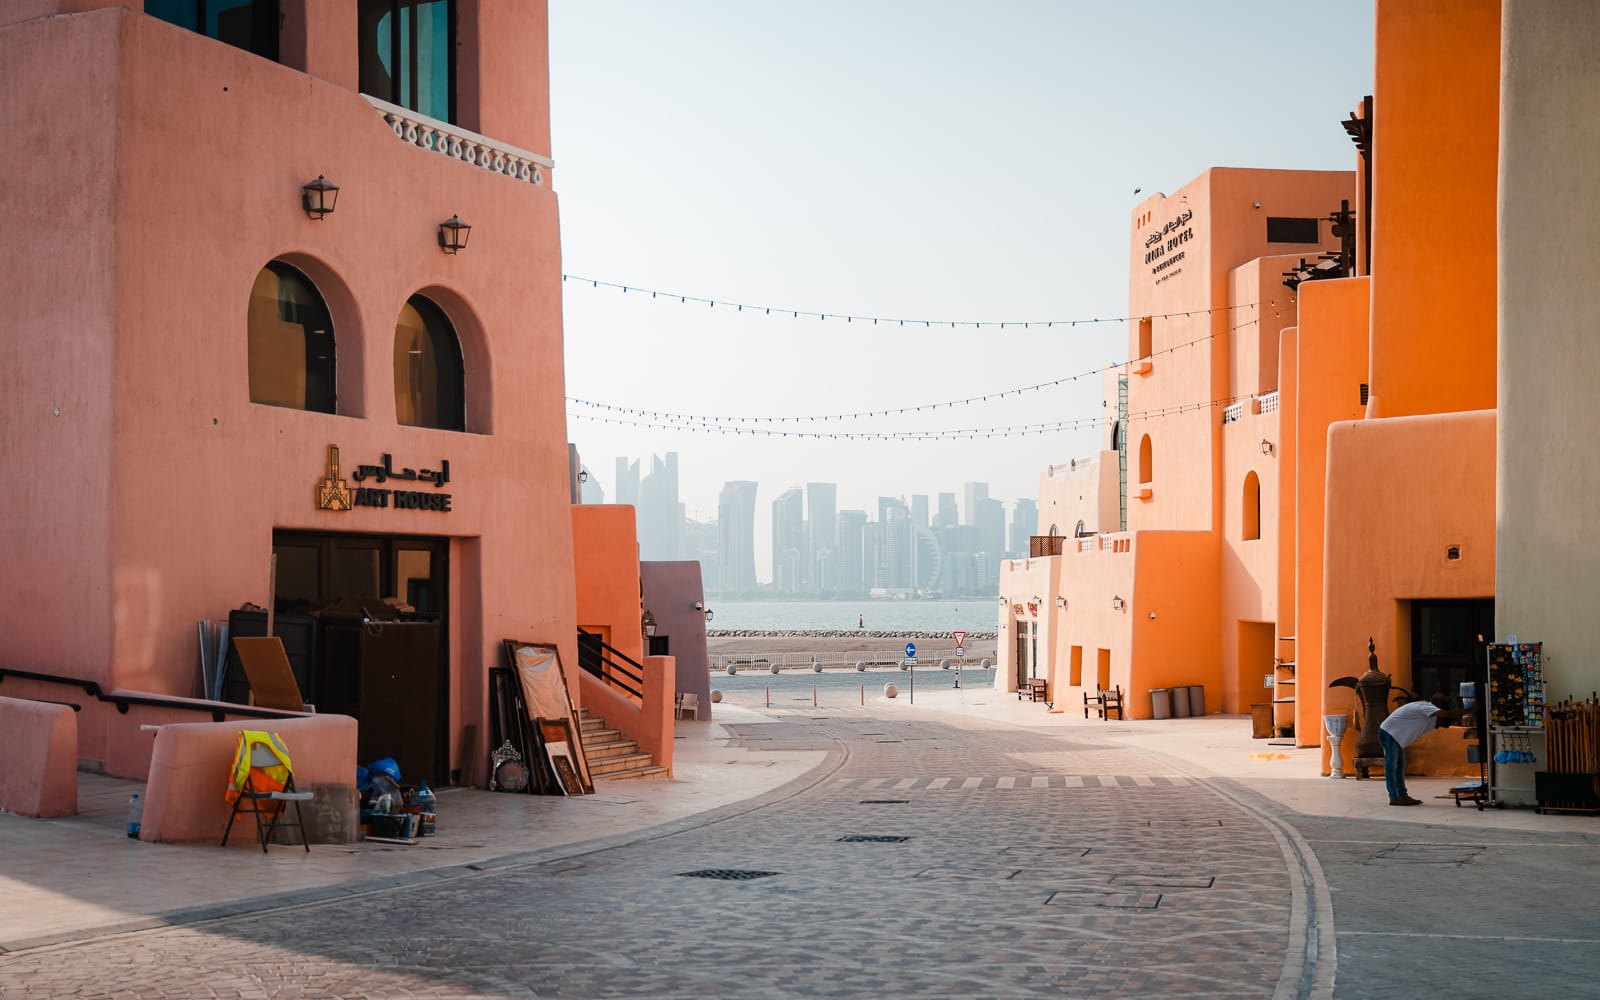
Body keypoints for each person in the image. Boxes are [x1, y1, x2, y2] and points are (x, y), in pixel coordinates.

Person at [1379, 699, 1467, 805]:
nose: (1437, 727)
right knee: (1391, 766)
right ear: (1438, 717)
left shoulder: (1427, 712)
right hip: (1389, 733)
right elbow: (1447, 714)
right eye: (1440, 724)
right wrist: (1470, 709)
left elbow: (1445, 715)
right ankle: (1393, 797)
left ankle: (1402, 795)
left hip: (1396, 737)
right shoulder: (1425, 708)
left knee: (1400, 767)